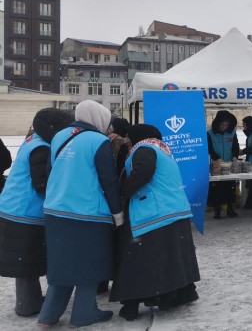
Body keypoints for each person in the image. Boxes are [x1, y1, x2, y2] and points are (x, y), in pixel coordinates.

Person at [38, 100, 123, 328]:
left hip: (55, 210)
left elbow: (50, 171)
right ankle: (84, 313)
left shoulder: (60, 136)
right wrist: (118, 213)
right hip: (87, 213)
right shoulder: (98, 141)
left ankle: (48, 316)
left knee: (61, 263)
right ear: (98, 118)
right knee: (89, 263)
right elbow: (108, 181)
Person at [110, 124, 200, 321]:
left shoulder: (144, 149)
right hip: (174, 209)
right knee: (172, 257)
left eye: (128, 137)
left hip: (153, 212)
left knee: (137, 259)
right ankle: (178, 295)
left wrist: (122, 193)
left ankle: (131, 303)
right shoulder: (162, 150)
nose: (126, 140)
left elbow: (143, 173)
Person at [0, 109, 73, 317]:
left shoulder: (33, 140)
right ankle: (27, 305)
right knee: (27, 261)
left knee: (26, 261)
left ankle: (29, 301)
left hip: (14, 207)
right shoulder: (41, 148)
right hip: (24, 211)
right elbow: (41, 184)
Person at [207, 110, 240, 219]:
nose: (224, 127)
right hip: (216, 165)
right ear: (217, 123)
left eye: (226, 125)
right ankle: (217, 210)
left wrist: (235, 157)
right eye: (222, 125)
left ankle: (230, 208)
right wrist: (217, 158)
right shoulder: (210, 134)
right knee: (217, 189)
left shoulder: (232, 133)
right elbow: (209, 149)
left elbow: (235, 147)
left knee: (230, 188)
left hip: (229, 165)